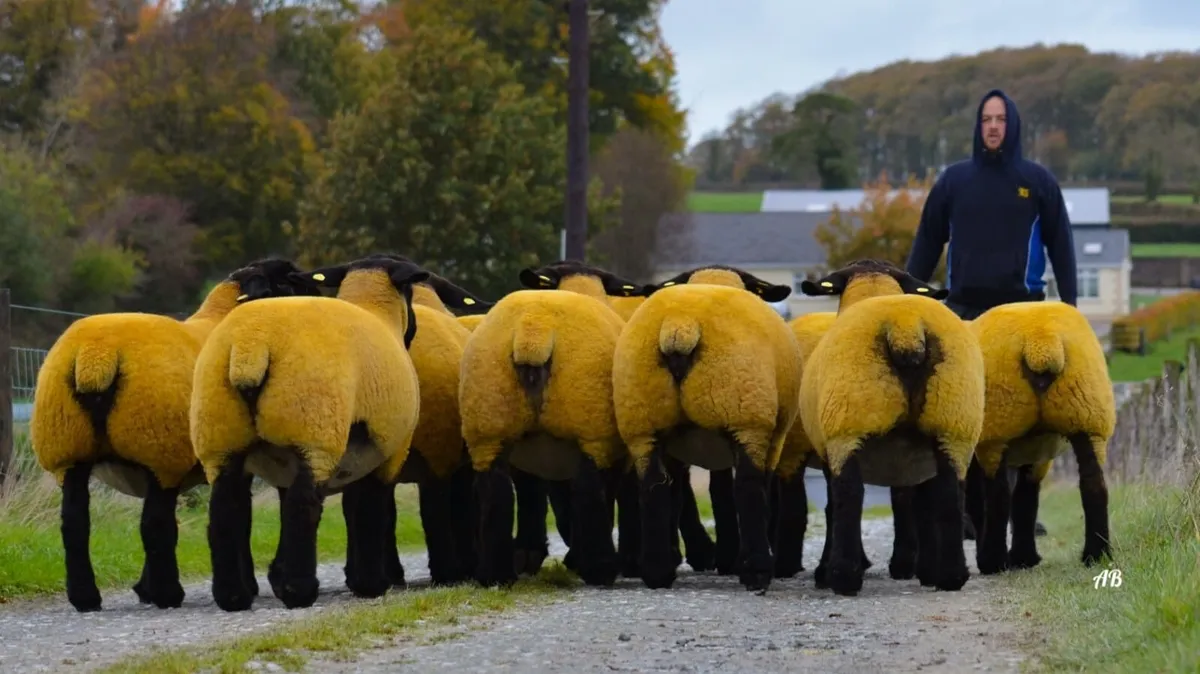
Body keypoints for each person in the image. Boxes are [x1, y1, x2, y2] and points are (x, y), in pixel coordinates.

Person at [906, 88, 1078, 540]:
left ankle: (1020, 512)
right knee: (965, 416)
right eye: (986, 119)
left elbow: (1062, 246)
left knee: (1021, 416)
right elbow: (927, 243)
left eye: (1001, 118)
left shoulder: (1037, 182)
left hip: (1021, 312)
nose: (994, 126)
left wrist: (1072, 312)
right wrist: (907, 298)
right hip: (964, 312)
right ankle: (964, 511)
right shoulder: (954, 181)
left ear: (1013, 125)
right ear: (977, 126)